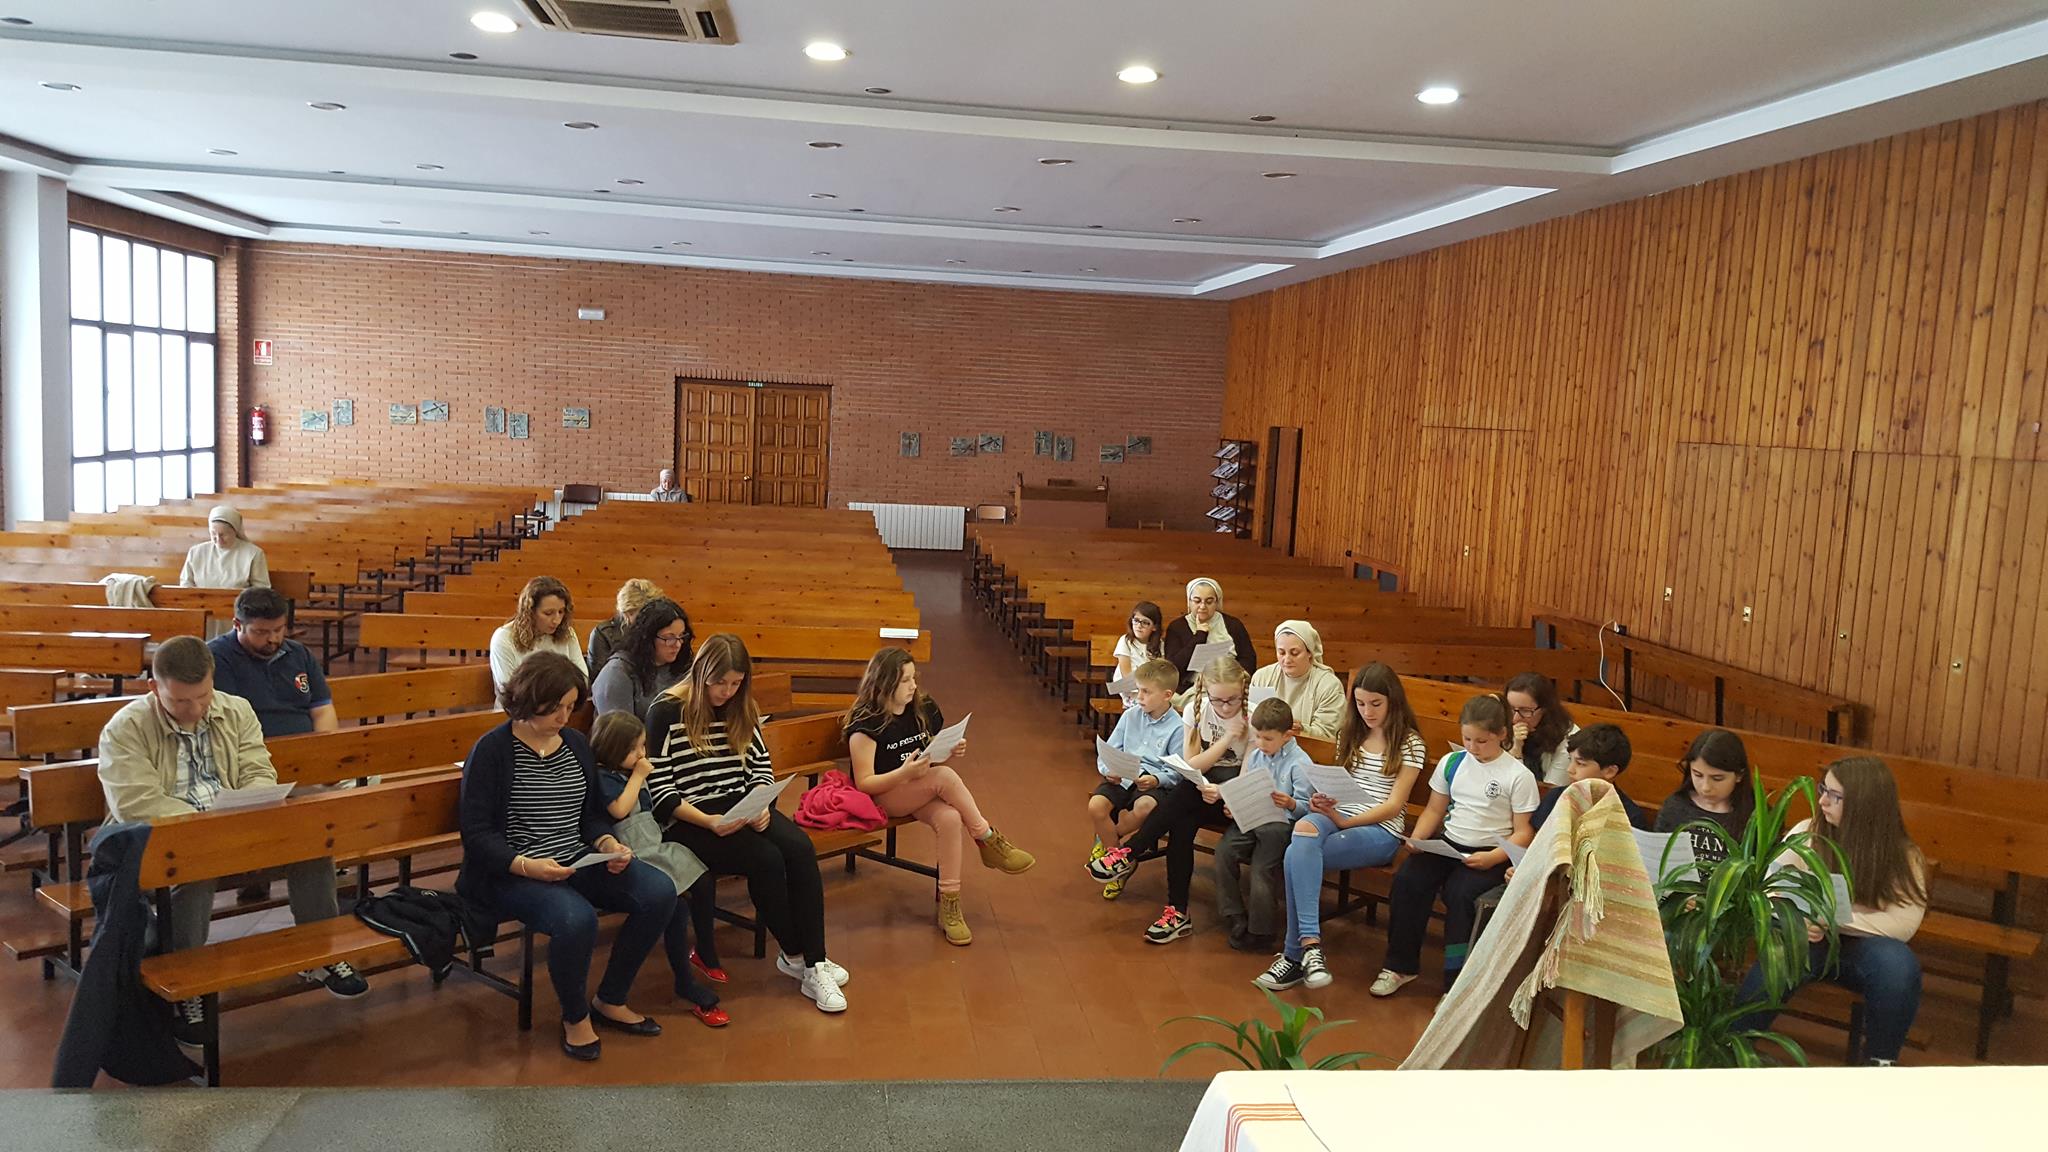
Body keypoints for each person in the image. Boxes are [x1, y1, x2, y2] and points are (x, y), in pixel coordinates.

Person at [96, 636, 366, 1043]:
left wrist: (248, 809)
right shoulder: (126, 728)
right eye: (180, 701)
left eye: (203, 696)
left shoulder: (235, 710)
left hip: (234, 828)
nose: (195, 710)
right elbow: (137, 803)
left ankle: (320, 952)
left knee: (310, 844)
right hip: (163, 841)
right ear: (154, 688)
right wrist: (207, 828)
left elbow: (257, 771)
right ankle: (188, 983)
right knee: (194, 870)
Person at [457, 653, 672, 1061]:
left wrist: (607, 845)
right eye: (554, 707)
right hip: (514, 871)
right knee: (576, 919)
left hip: (574, 858)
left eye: (570, 707)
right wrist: (526, 865)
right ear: (527, 699)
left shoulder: (574, 744)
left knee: (659, 891)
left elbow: (590, 816)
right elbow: (477, 834)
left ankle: (610, 998)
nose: (563, 716)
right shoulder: (492, 751)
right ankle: (575, 1017)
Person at [645, 634, 850, 1013]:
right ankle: (798, 956)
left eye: (736, 683)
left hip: (739, 803)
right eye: (719, 683)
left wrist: (761, 804)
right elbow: (660, 789)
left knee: (800, 848)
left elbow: (760, 767)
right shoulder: (666, 711)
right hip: (690, 816)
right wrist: (709, 821)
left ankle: (814, 960)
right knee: (766, 859)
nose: (727, 692)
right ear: (701, 675)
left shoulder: (741, 706)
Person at [1736, 756, 1926, 1065]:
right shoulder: (1807, 832)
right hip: (1809, 937)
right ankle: (1733, 1047)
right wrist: (1799, 919)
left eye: (1835, 796)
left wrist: (1831, 920)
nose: (1822, 801)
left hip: (1864, 946)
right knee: (1781, 956)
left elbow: (1903, 923)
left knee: (1899, 966)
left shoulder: (1902, 854)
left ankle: (1880, 1062)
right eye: (1823, 789)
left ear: (1864, 804)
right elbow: (1770, 887)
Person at [844, 648, 1035, 946]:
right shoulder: (866, 724)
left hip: (917, 787)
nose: (913, 686)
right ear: (885, 684)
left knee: (950, 817)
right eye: (905, 680)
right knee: (944, 777)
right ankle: (986, 837)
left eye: (914, 678)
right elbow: (865, 783)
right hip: (883, 797)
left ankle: (950, 905)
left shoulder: (922, 708)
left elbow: (928, 753)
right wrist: (905, 773)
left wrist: (949, 750)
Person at [1258, 662, 1425, 992]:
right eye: (1360, 703)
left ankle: (1296, 954)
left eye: (1375, 704)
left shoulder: (1410, 743)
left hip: (1380, 829)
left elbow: (1393, 805)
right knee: (1303, 832)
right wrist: (1324, 800)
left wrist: (1345, 820)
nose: (1367, 712)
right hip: (1339, 816)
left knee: (1296, 856)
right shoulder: (1350, 733)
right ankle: (1310, 947)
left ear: (1393, 700)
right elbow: (1344, 786)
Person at [1370, 693, 1537, 998]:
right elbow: (1435, 810)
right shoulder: (1453, 763)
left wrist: (1493, 857)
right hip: (1449, 845)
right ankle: (1399, 966)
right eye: (1467, 739)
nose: (1472, 747)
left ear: (1502, 734)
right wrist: (1419, 839)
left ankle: (1455, 984)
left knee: (1460, 894)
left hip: (1488, 853)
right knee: (1408, 879)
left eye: (1481, 741)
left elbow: (1523, 832)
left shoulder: (1517, 775)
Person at [1091, 655, 1252, 941]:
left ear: (1243, 692)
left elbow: (1249, 774)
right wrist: (1227, 739)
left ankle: (1129, 853)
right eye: (1218, 700)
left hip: (1235, 797)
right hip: (1203, 790)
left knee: (1183, 795)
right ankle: (1177, 914)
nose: (1225, 707)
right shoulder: (1196, 709)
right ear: (1206, 692)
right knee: (1182, 819)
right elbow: (1192, 765)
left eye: (1232, 700)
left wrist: (1224, 790)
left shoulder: (1252, 716)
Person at [587, 711, 727, 1028]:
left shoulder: (628, 772)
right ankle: (684, 979)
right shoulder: (605, 777)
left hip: (653, 843)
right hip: (629, 853)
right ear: (613, 749)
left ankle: (700, 956)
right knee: (674, 906)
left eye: (643, 746)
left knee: (698, 882)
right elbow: (619, 810)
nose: (642, 754)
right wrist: (639, 776)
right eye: (635, 748)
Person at [208, 585, 339, 905]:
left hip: (303, 760)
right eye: (261, 632)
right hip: (248, 762)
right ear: (237, 625)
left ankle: (327, 888)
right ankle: (255, 871)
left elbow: (322, 709)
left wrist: (323, 757)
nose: (273, 639)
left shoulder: (298, 654)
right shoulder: (216, 658)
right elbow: (224, 728)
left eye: (279, 629)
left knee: (351, 794)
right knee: (274, 805)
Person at [1210, 697, 1312, 954]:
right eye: (1257, 737)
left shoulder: (1300, 763)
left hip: (1281, 824)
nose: (1261, 743)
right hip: (1252, 818)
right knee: (1224, 852)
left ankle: (1261, 931)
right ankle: (1234, 914)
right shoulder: (1257, 755)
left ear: (1287, 736)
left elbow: (1307, 808)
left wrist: (1290, 803)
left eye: (1268, 739)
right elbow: (1247, 788)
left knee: (1262, 868)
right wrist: (1235, 806)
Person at [1086, 657, 1184, 890]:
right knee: (1096, 806)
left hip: (1152, 782)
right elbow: (1109, 751)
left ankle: (1110, 844)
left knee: (1145, 807)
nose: (1139, 697)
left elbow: (1177, 772)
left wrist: (1156, 779)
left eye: (1146, 692)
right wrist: (1107, 770)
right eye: (1138, 690)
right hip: (1122, 776)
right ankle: (1120, 862)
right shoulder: (1130, 715)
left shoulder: (1178, 727)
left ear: (1167, 695)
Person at [1655, 728, 1755, 867]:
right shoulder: (1675, 806)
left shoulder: (1755, 817)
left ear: (1739, 775)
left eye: (1717, 778)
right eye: (1697, 775)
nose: (1705, 787)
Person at [1529, 724, 1648, 831]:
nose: (1570, 769)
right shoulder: (1556, 797)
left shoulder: (1629, 817)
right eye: (1570, 760)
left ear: (1610, 771)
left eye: (1580, 764)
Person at [590, 597, 692, 718]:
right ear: (647, 638)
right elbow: (618, 727)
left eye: (681, 636)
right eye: (669, 638)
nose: (678, 644)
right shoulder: (617, 674)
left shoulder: (683, 665)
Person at [1250, 620, 1345, 741]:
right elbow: (1250, 716)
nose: (1287, 659)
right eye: (1281, 652)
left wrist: (1303, 730)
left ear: (1309, 652)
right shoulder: (1262, 677)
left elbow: (1328, 734)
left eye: (1294, 653)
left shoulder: (1329, 685)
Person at [1161, 578, 1257, 698]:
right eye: (1197, 601)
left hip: (1229, 687)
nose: (1202, 606)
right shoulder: (1177, 627)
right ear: (1189, 602)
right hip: (1191, 689)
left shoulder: (1233, 625)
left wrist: (1234, 678)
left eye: (1209, 601)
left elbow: (1248, 659)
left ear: (1217, 602)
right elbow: (1173, 668)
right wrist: (1200, 635)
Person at [489, 576, 586, 689]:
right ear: (530, 612)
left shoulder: (567, 633)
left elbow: (583, 679)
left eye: (561, 612)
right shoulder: (504, 638)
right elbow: (509, 691)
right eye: (548, 613)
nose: (557, 620)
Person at [1504, 672, 1577, 785]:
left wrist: (1516, 752)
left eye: (1525, 710)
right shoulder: (1503, 723)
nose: (1515, 718)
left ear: (1545, 710)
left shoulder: (1568, 739)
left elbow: (1549, 790)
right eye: (1511, 708)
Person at [586, 578, 670, 674]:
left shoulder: (660, 631)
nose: (649, 618)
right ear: (628, 613)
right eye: (644, 614)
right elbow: (599, 677)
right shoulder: (603, 634)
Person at [179, 505, 270, 589]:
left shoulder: (253, 553)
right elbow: (186, 583)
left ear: (235, 532)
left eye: (223, 534)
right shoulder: (195, 552)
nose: (218, 539)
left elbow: (261, 589)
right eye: (213, 533)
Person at [1111, 601, 1166, 707]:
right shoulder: (1126, 641)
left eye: (1145, 623)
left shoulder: (1159, 645)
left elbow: (1160, 671)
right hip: (1131, 691)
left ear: (1154, 627)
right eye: (1136, 620)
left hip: (1152, 690)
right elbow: (1126, 674)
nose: (1139, 626)